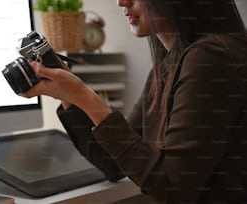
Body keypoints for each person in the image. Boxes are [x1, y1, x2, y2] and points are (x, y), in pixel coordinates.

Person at [20, 0, 247, 202]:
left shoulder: (211, 57)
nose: (122, 2)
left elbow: (173, 188)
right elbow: (113, 164)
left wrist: (87, 97)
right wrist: (69, 96)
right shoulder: (168, 66)